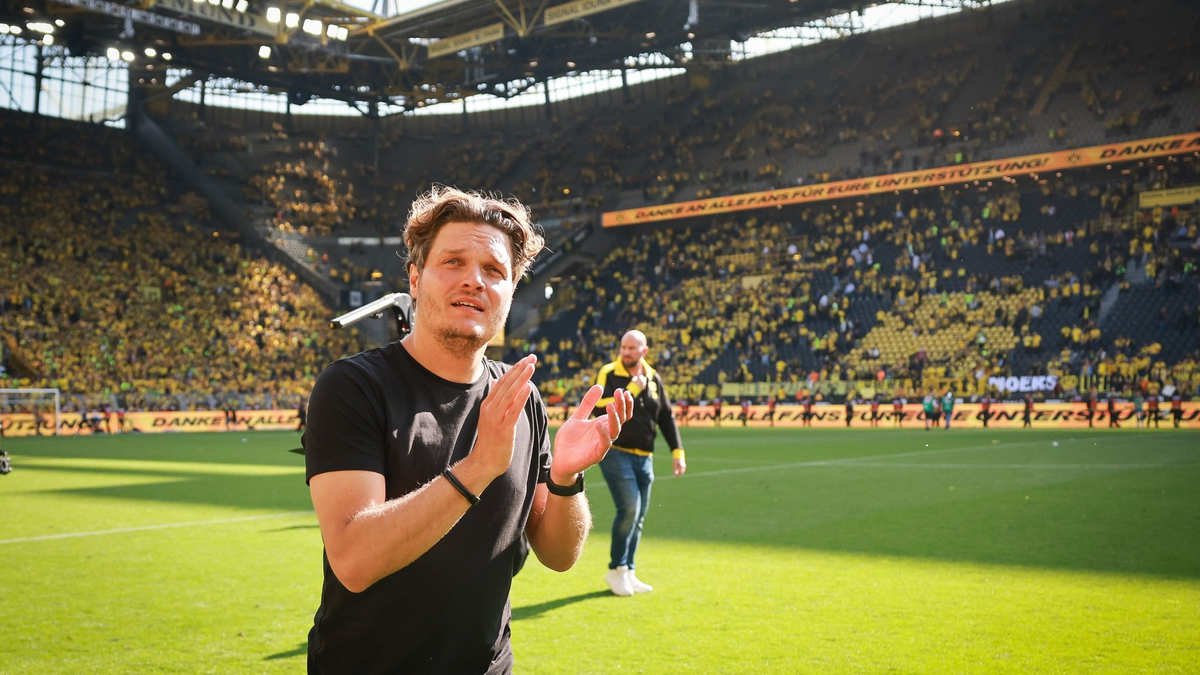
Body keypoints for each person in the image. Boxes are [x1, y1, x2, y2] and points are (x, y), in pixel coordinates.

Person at [302, 187, 635, 674]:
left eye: (494, 270)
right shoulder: (354, 386)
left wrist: (566, 478)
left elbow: (560, 555)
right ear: (415, 279)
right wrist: (478, 468)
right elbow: (354, 561)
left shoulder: (521, 397)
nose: (474, 280)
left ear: (511, 291)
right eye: (453, 262)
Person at [593, 330, 686, 597]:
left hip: (646, 457)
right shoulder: (608, 373)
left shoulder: (654, 377)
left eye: (632, 348)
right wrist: (632, 390)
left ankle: (629, 570)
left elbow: (665, 416)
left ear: (644, 351)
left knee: (639, 516)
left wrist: (677, 451)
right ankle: (616, 569)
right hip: (616, 451)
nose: (626, 352)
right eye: (623, 347)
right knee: (630, 509)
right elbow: (598, 408)